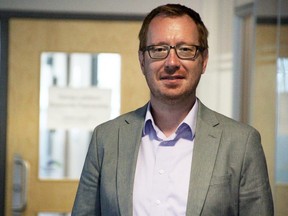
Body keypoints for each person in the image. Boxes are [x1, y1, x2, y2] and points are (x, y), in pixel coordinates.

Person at [72, 4, 274, 216]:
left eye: (185, 50)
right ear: (142, 61)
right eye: (159, 49)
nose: (171, 62)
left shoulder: (241, 144)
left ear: (204, 60)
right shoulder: (106, 139)